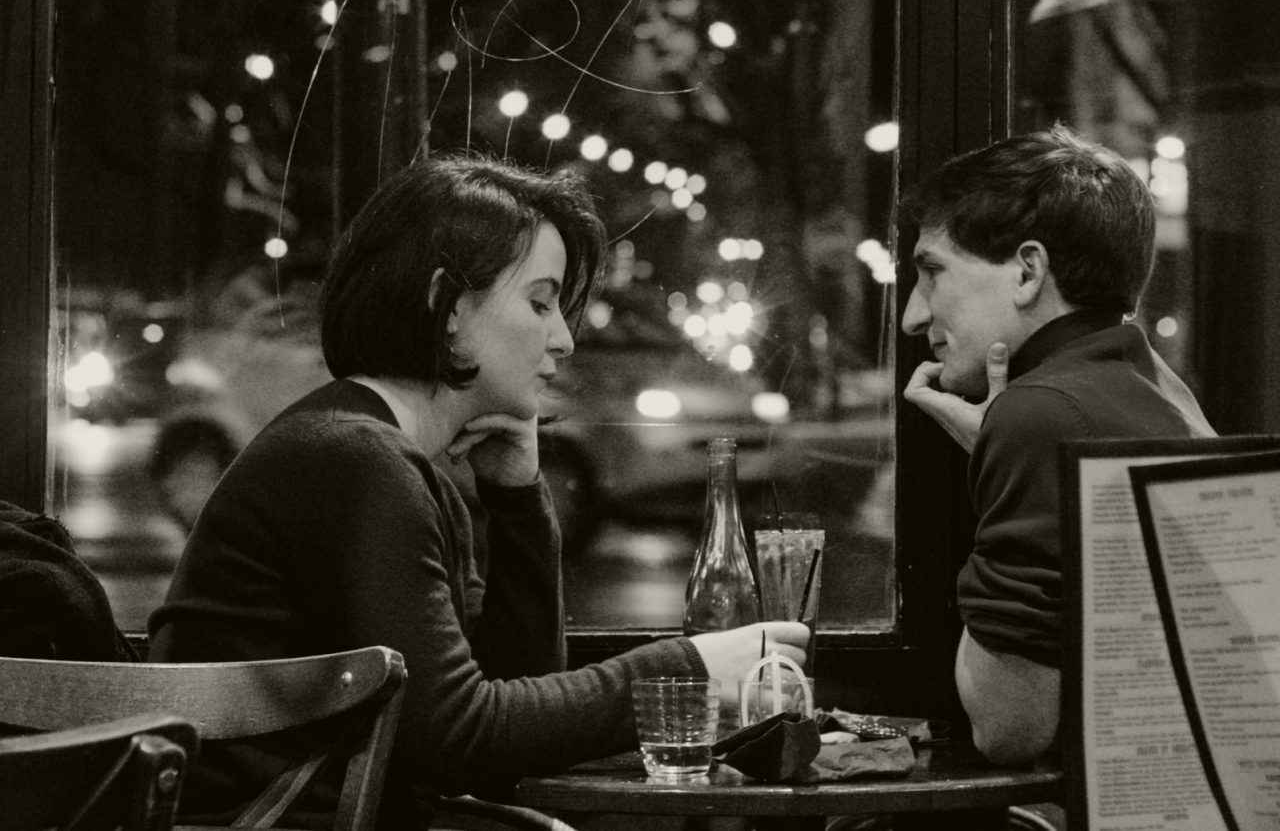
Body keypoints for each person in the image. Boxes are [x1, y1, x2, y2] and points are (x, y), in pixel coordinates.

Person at [150, 153, 807, 827]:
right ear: (448, 306)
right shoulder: (356, 458)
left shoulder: (370, 449)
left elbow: (509, 719)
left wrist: (518, 499)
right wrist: (687, 668)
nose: (564, 340)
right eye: (541, 302)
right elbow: (458, 740)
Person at [898, 123, 1213, 766]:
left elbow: (1007, 725)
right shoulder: (1155, 385)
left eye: (932, 272)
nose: (913, 315)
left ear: (1027, 271)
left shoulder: (1039, 415)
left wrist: (1008, 445)